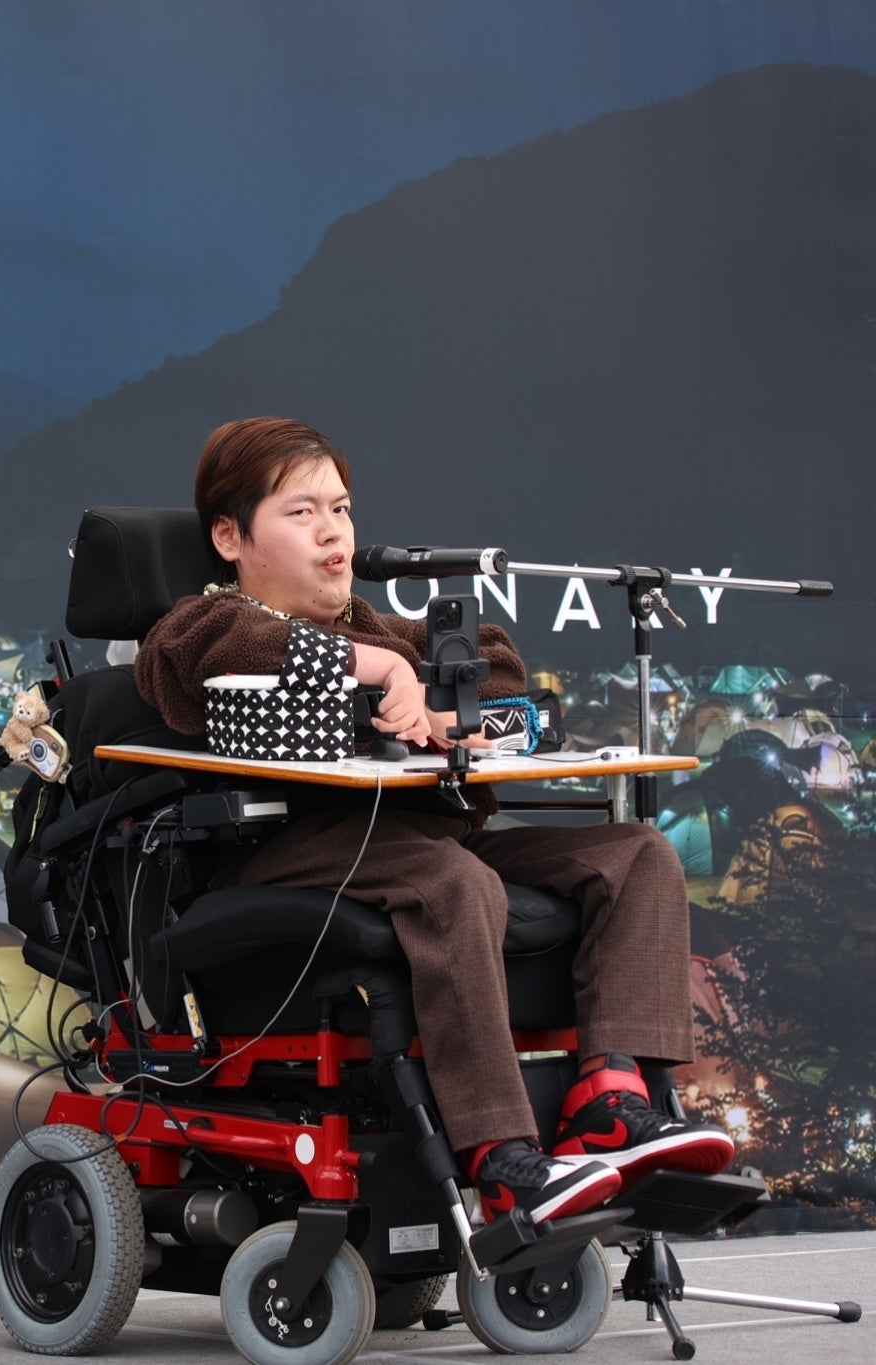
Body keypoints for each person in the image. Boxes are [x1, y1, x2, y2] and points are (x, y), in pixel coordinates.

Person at [134, 417, 733, 1224]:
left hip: (418, 838)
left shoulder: (373, 623)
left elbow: (497, 656)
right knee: (457, 881)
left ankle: (610, 1095)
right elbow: (245, 647)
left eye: (341, 509)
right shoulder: (195, 625)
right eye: (302, 512)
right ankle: (500, 1154)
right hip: (287, 848)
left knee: (638, 854)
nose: (333, 532)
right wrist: (383, 671)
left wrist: (453, 707)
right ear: (229, 536)